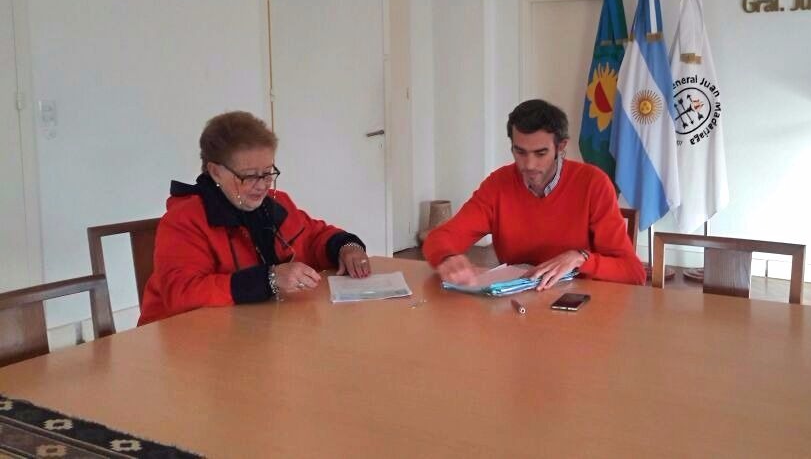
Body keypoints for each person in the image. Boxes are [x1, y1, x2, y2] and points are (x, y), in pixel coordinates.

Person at [138, 111, 370, 325]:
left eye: (268, 173)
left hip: (252, 328)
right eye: (249, 176)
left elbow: (313, 237)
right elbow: (182, 293)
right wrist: (269, 279)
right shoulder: (185, 219)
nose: (262, 185)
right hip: (182, 337)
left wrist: (345, 247)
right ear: (216, 171)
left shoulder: (276, 204)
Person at [423, 99, 644, 289]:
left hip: (583, 302)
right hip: (519, 303)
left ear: (561, 147)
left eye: (540, 153)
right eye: (520, 152)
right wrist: (447, 257)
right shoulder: (498, 184)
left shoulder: (593, 184)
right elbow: (439, 238)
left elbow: (633, 272)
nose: (529, 165)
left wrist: (580, 258)